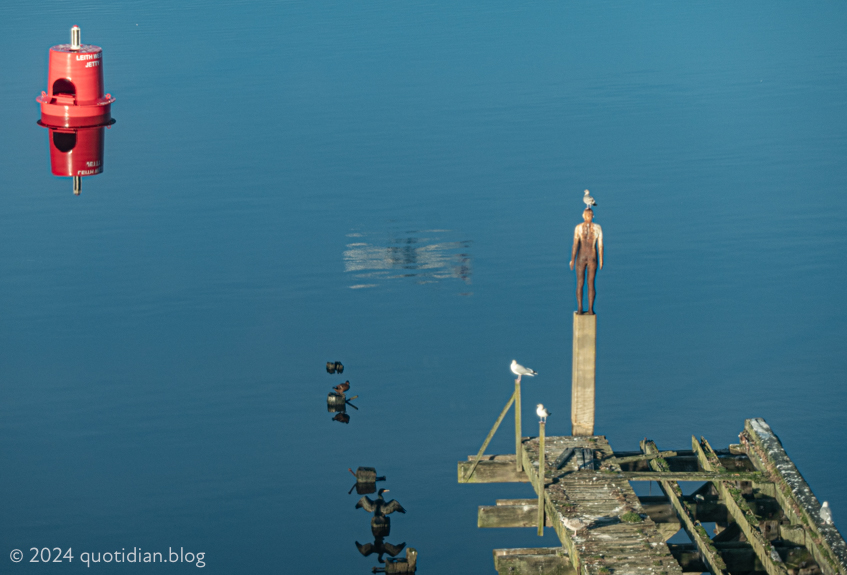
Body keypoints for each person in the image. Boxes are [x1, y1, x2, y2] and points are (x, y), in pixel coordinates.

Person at [569, 208, 603, 314]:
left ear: (583, 216)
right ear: (592, 216)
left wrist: (573, 259)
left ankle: (580, 309)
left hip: (581, 257)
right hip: (592, 257)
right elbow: (600, 246)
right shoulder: (597, 228)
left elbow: (575, 245)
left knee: (580, 283)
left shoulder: (578, 228)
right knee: (590, 283)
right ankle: (590, 310)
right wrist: (601, 260)